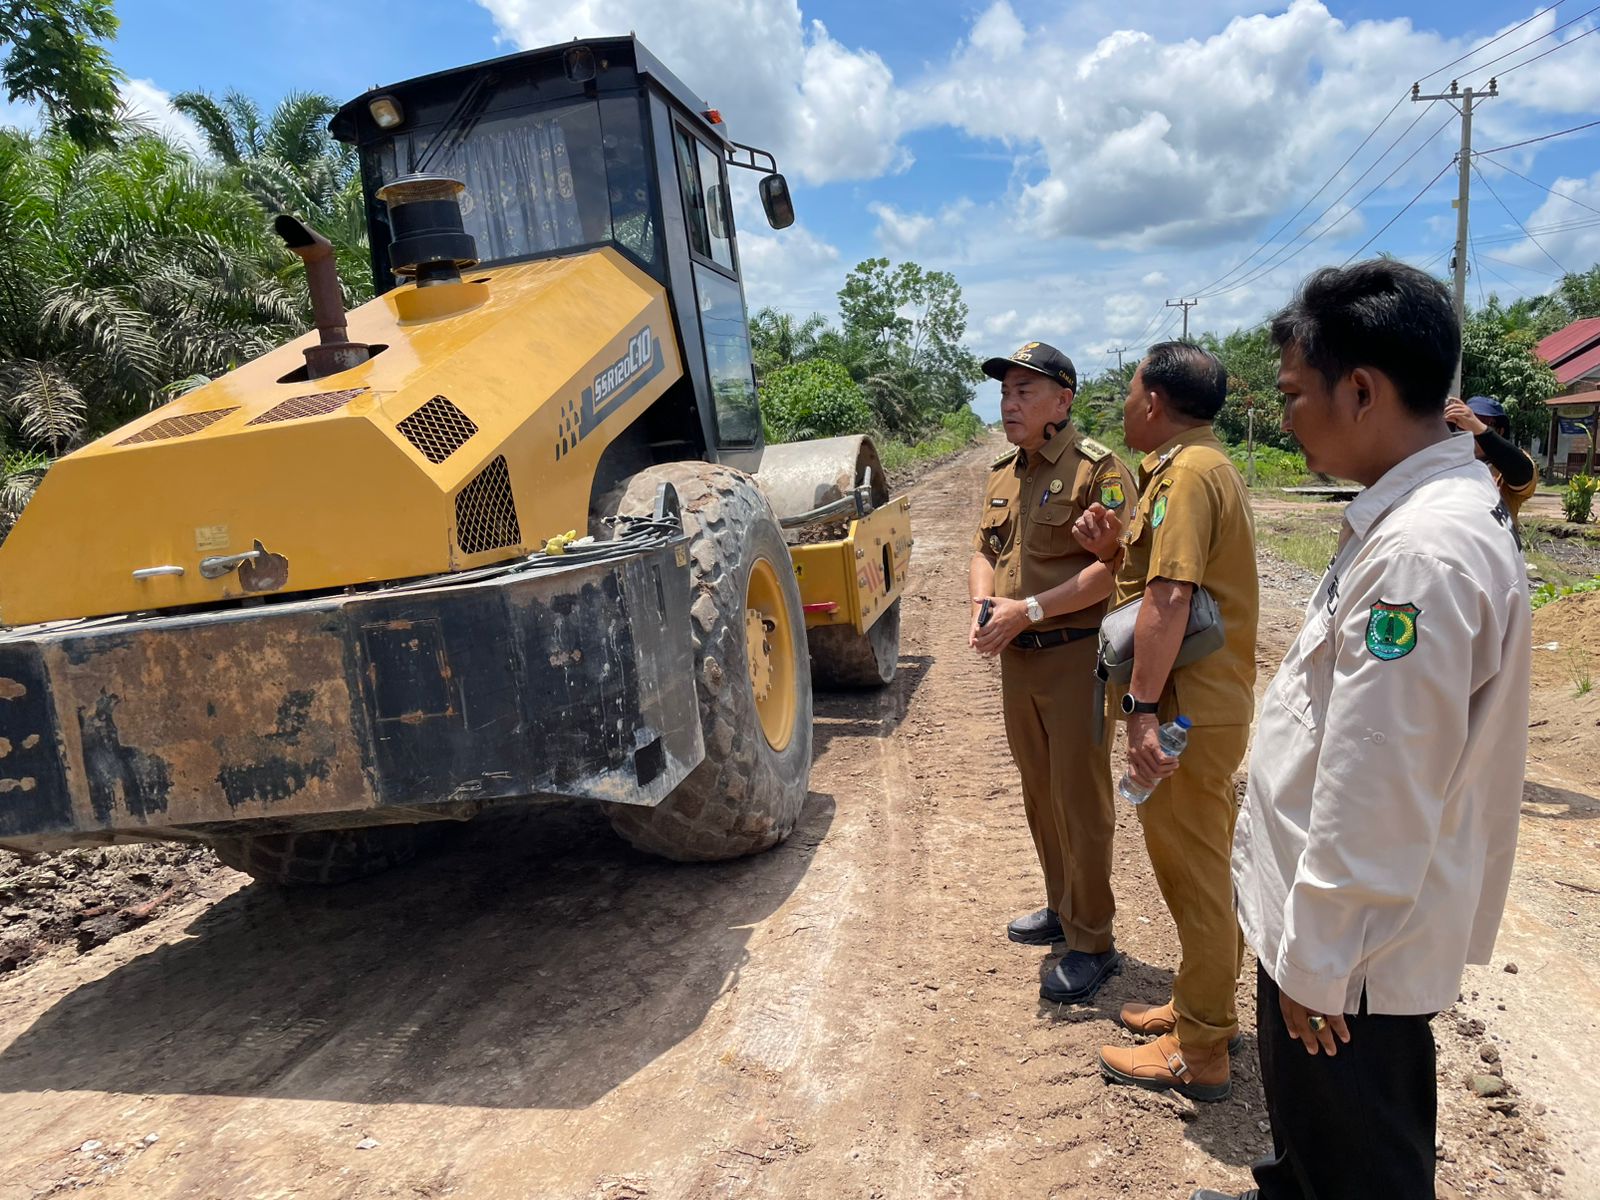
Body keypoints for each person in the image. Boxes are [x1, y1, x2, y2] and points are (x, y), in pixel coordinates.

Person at [1196, 261, 1532, 1200]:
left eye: (1297, 394)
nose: (1288, 416)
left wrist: (1319, 957)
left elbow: (1377, 779)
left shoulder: (1423, 553)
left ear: (1362, 389)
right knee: (1315, 1135)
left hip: (1351, 961)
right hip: (1331, 938)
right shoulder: (1411, 522)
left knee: (1363, 1161)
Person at [1071, 341, 1259, 1103]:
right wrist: (1114, 547)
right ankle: (1196, 1006)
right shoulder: (1190, 468)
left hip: (1186, 709)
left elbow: (1170, 599)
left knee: (1196, 874)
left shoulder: (1187, 476)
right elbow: (1160, 575)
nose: (1123, 402)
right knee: (1193, 866)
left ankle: (1204, 1049)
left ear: (1152, 401)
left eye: (1129, 390)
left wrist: (1142, 712)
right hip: (1198, 702)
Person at [969, 341, 1138, 1004]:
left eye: (1024, 392)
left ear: (1062, 402)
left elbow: (1111, 569)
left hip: (1074, 657)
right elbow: (984, 548)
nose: (1009, 404)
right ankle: (1061, 907)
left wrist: (1027, 609)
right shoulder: (1003, 473)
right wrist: (983, 604)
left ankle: (1093, 939)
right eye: (1005, 393)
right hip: (1018, 660)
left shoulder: (1100, 470)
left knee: (1081, 800)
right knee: (1039, 793)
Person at [1443, 394, 1539, 521]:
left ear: (1500, 431)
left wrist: (1479, 428)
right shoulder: (1448, 460)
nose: (1470, 429)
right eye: (1464, 422)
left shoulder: (1507, 465)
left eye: (1485, 422)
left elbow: (1522, 473)